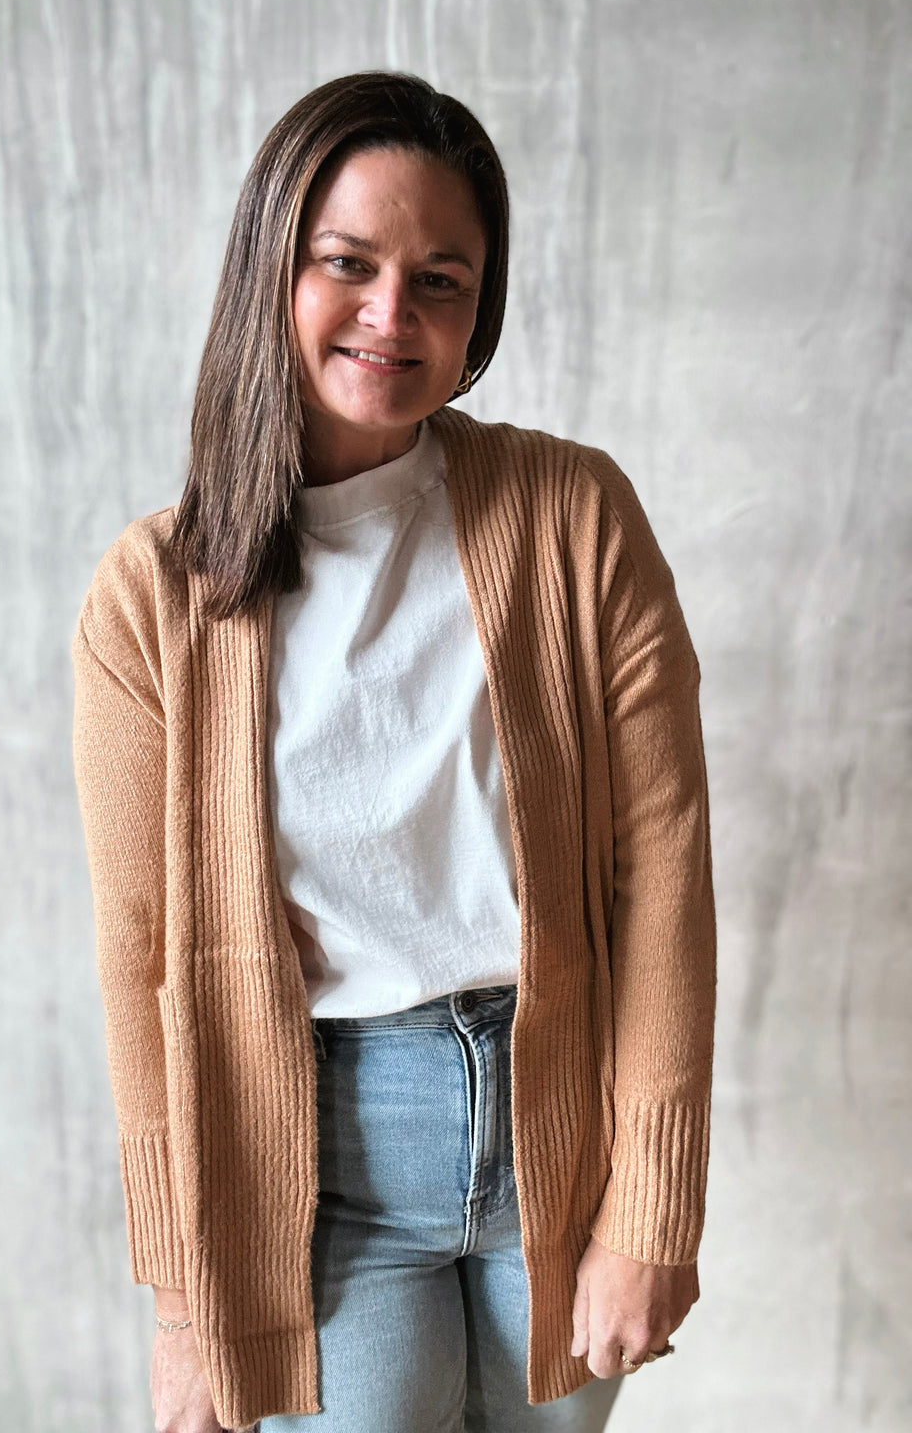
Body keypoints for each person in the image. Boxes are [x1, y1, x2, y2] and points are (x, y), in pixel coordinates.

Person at [70, 70, 717, 1433]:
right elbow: (142, 957)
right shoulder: (151, 598)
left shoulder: (574, 518)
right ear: (273, 268)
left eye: (441, 281)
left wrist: (654, 1206)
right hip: (317, 1167)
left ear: (482, 309)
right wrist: (185, 1301)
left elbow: (661, 868)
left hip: (563, 1128)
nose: (392, 315)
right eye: (349, 264)